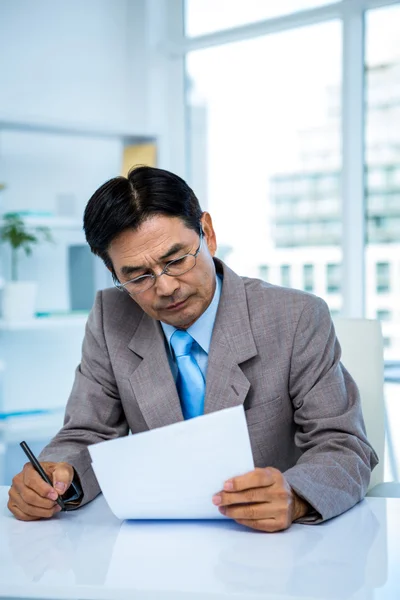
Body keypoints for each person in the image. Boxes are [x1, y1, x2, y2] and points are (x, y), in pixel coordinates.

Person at [8, 166, 378, 531]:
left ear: (209, 234)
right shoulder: (110, 318)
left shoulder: (296, 317)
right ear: (115, 275)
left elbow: (344, 446)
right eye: (137, 276)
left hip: (268, 544)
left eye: (176, 260)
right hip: (161, 538)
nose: (166, 287)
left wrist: (295, 497)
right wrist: (57, 477)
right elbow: (87, 433)